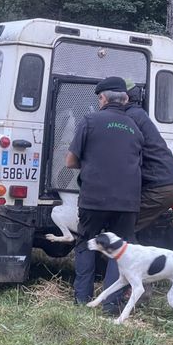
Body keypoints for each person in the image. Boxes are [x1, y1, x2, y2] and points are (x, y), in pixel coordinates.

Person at [66, 76, 144, 314]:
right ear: (125, 99)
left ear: (102, 98)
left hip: (94, 198)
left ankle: (82, 300)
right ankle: (111, 306)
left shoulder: (90, 120)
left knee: (87, 242)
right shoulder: (135, 127)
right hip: (128, 201)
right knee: (119, 251)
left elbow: (70, 161)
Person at [125, 84, 173, 234]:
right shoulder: (138, 114)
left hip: (160, 187)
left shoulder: (129, 119)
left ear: (124, 99)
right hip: (170, 183)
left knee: (122, 228)